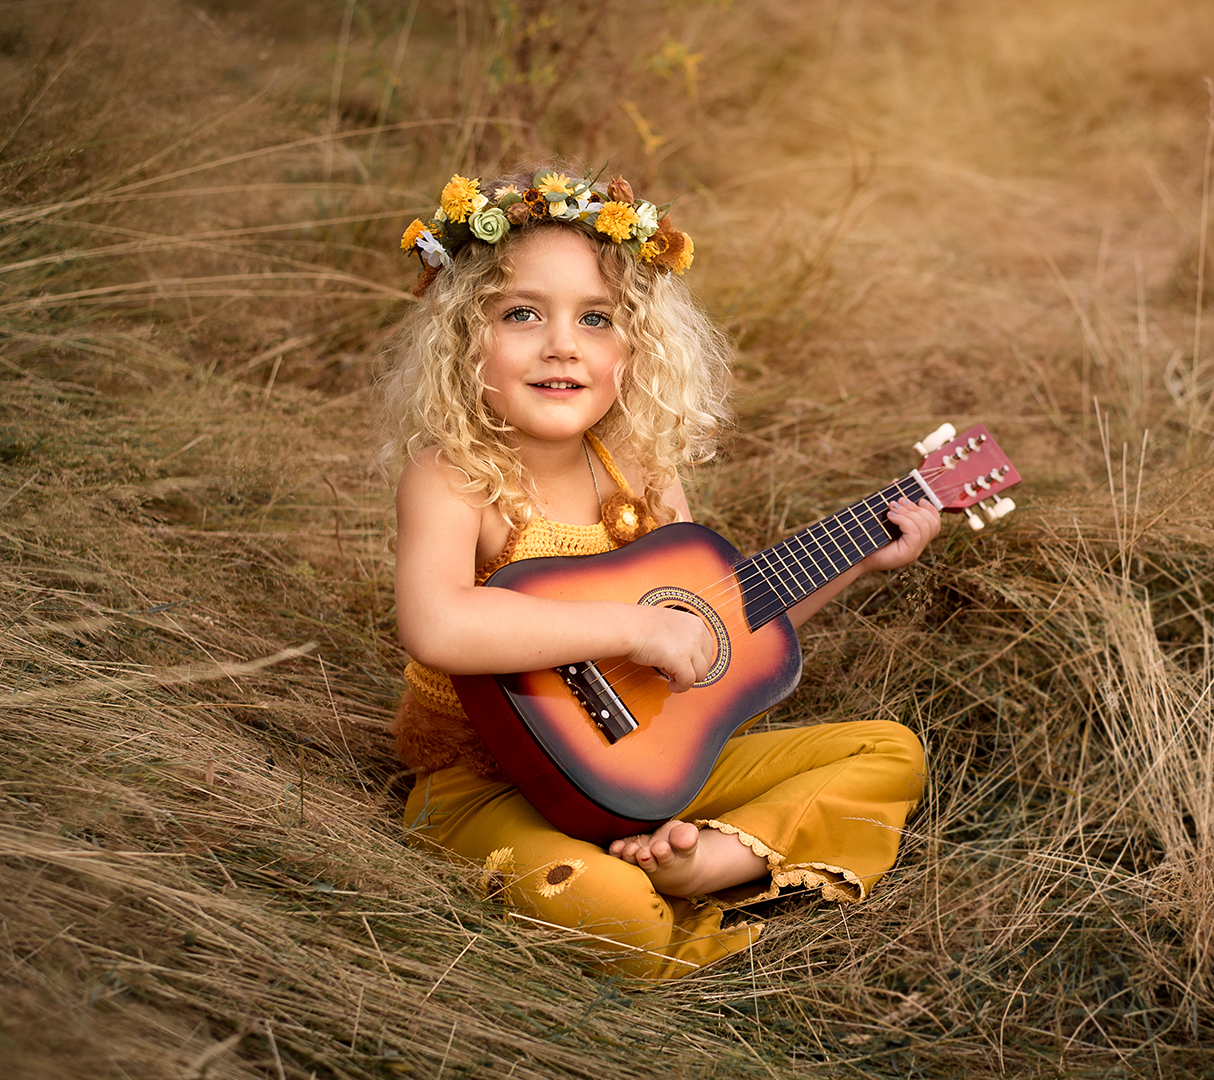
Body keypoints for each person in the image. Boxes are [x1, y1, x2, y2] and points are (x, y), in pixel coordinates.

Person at [380, 168, 939, 980]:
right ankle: (668, 888)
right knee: (617, 914)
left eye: (597, 318)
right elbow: (438, 623)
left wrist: (860, 558)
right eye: (522, 313)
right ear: (465, 338)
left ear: (634, 351)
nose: (562, 343)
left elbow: (719, 629)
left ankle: (709, 859)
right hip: (486, 787)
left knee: (887, 750)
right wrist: (634, 626)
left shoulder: (639, 470)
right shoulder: (455, 476)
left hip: (650, 770)